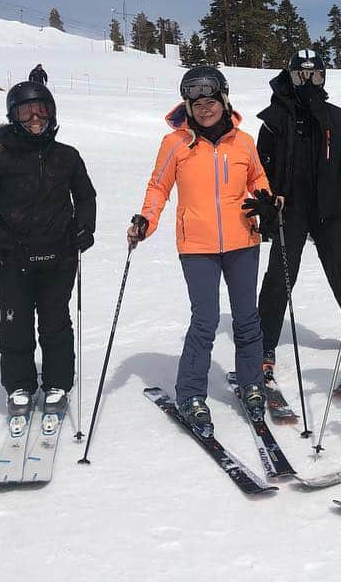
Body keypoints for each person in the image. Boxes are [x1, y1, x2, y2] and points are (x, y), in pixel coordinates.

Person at [127, 66, 275, 435]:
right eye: (197, 103)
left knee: (247, 318)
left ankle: (252, 382)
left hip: (243, 239)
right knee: (205, 319)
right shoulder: (174, 143)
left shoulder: (242, 142)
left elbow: (258, 178)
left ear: (224, 102)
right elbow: (158, 187)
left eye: (210, 101)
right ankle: (191, 392)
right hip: (196, 245)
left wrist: (267, 202)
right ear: (187, 107)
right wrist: (146, 220)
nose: (205, 109)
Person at [0, 81, 95, 431]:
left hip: (59, 257)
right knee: (15, 325)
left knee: (55, 324)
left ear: (51, 113)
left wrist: (84, 229)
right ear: (13, 116)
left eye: (42, 110)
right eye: (26, 111)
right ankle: (19, 385)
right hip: (11, 260)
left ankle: (57, 383)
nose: (35, 117)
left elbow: (85, 197)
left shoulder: (67, 155)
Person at [255, 49, 341, 380]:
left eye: (316, 76)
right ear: (290, 78)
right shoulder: (273, 120)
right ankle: (264, 340)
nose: (309, 82)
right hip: (290, 207)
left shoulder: (335, 117)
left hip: (327, 207)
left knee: (336, 268)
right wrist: (267, 202)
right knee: (281, 273)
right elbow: (259, 168)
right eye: (301, 76)